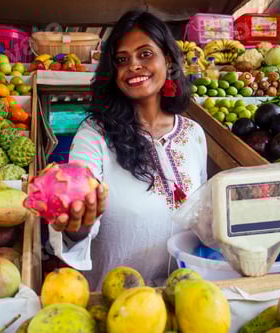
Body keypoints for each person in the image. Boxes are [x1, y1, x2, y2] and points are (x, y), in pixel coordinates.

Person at [48, 9, 208, 291]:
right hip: (114, 302)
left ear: (168, 61)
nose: (133, 65)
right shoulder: (94, 136)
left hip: (181, 299)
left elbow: (203, 214)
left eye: (145, 54)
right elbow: (81, 194)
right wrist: (78, 220)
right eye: (122, 60)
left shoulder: (193, 135)